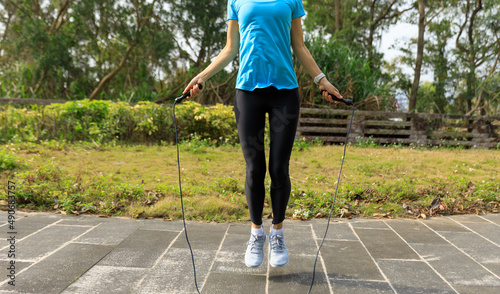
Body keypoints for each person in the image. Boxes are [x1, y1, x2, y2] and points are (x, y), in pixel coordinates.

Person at [182, 0, 342, 268]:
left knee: (279, 168)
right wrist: (202, 76)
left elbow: (299, 46)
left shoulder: (292, 0)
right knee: (254, 168)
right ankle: (257, 233)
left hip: (285, 93)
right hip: (247, 91)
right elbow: (230, 49)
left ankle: (277, 233)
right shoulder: (237, 1)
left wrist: (321, 80)